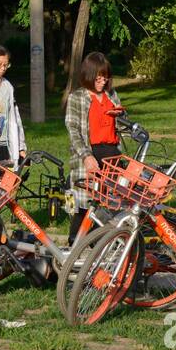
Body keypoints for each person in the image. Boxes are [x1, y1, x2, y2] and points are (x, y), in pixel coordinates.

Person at [65, 51, 124, 239]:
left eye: (106, 77)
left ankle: (101, 243)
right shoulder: (78, 97)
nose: (103, 81)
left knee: (111, 205)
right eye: (99, 77)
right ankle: (73, 245)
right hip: (90, 155)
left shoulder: (111, 95)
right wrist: (86, 157)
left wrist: (121, 117)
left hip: (112, 155)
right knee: (85, 205)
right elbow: (73, 130)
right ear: (89, 76)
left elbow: (123, 125)